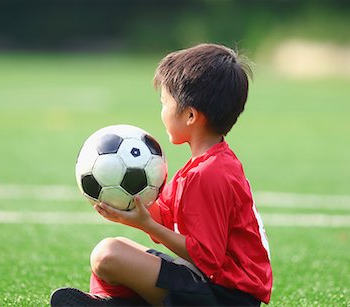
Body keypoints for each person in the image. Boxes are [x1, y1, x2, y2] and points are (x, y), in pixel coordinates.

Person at [50, 43, 272, 306]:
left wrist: (146, 225)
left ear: (190, 115)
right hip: (217, 287)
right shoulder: (206, 164)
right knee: (111, 252)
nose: (162, 111)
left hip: (229, 297)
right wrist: (127, 211)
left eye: (164, 102)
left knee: (110, 254)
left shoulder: (209, 174)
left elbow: (206, 257)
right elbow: (167, 216)